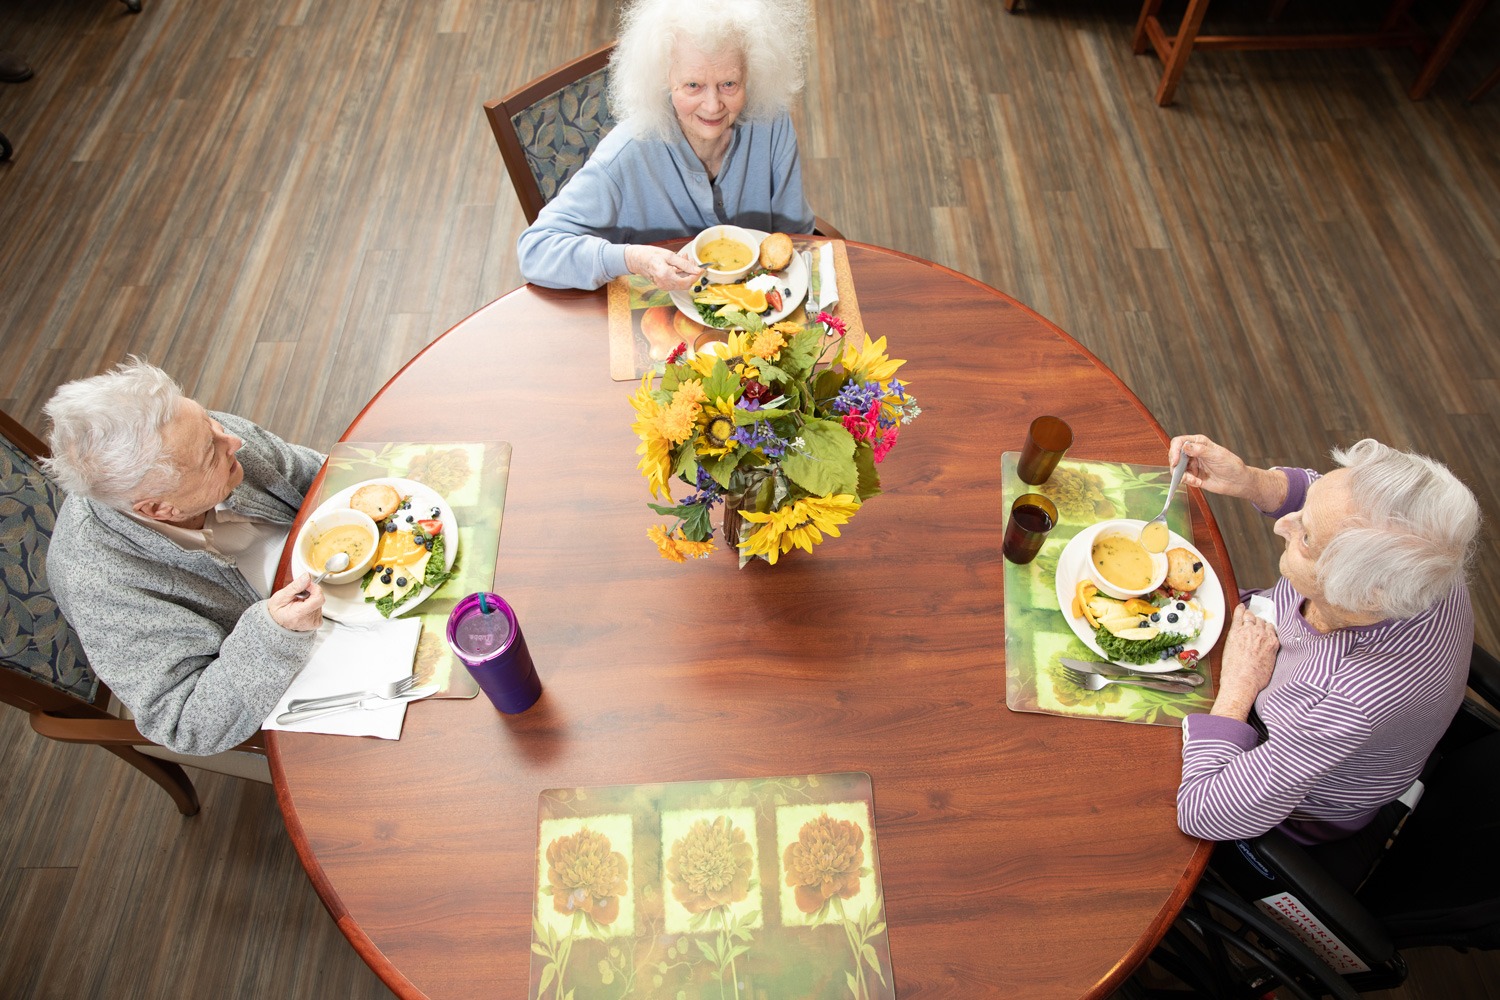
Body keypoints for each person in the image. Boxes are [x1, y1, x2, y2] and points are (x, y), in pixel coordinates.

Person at [1169, 434, 1480, 844]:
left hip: (1291, 793)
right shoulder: (1425, 545)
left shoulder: (1344, 701)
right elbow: (1342, 506)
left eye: (1306, 537)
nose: (1283, 523)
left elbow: (1204, 813)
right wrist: (1252, 481)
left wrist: (1239, 689)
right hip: (1259, 646)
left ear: (1356, 591)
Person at [42, 359, 326, 756]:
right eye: (212, 454)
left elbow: (308, 474)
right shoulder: (101, 585)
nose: (233, 440)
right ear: (160, 509)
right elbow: (187, 723)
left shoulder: (196, 435)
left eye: (209, 420)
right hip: (290, 657)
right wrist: (274, 637)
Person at [516, 0, 815, 291]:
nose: (712, 106)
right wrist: (633, 258)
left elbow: (797, 237)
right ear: (664, 77)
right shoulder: (627, 152)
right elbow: (535, 250)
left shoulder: (772, 123)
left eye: (729, 84)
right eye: (693, 85)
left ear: (752, 72)